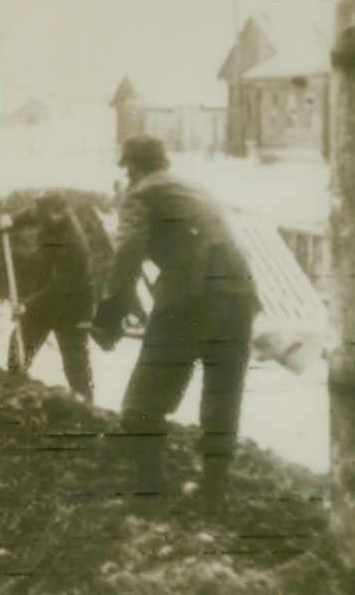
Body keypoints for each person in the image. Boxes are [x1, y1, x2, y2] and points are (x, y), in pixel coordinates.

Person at [90, 135, 260, 517]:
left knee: (141, 404)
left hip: (192, 296)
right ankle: (213, 500)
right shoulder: (193, 188)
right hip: (241, 294)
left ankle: (149, 498)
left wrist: (111, 311)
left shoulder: (140, 193)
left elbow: (129, 250)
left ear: (131, 167)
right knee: (222, 401)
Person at [0, 191, 95, 399]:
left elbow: (61, 287)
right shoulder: (47, 213)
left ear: (60, 212)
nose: (40, 217)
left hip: (72, 305)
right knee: (19, 347)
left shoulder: (73, 243)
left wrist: (28, 305)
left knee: (75, 368)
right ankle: (17, 393)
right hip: (46, 295)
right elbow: (30, 213)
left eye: (45, 213)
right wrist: (11, 221)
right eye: (40, 211)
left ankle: (88, 410)